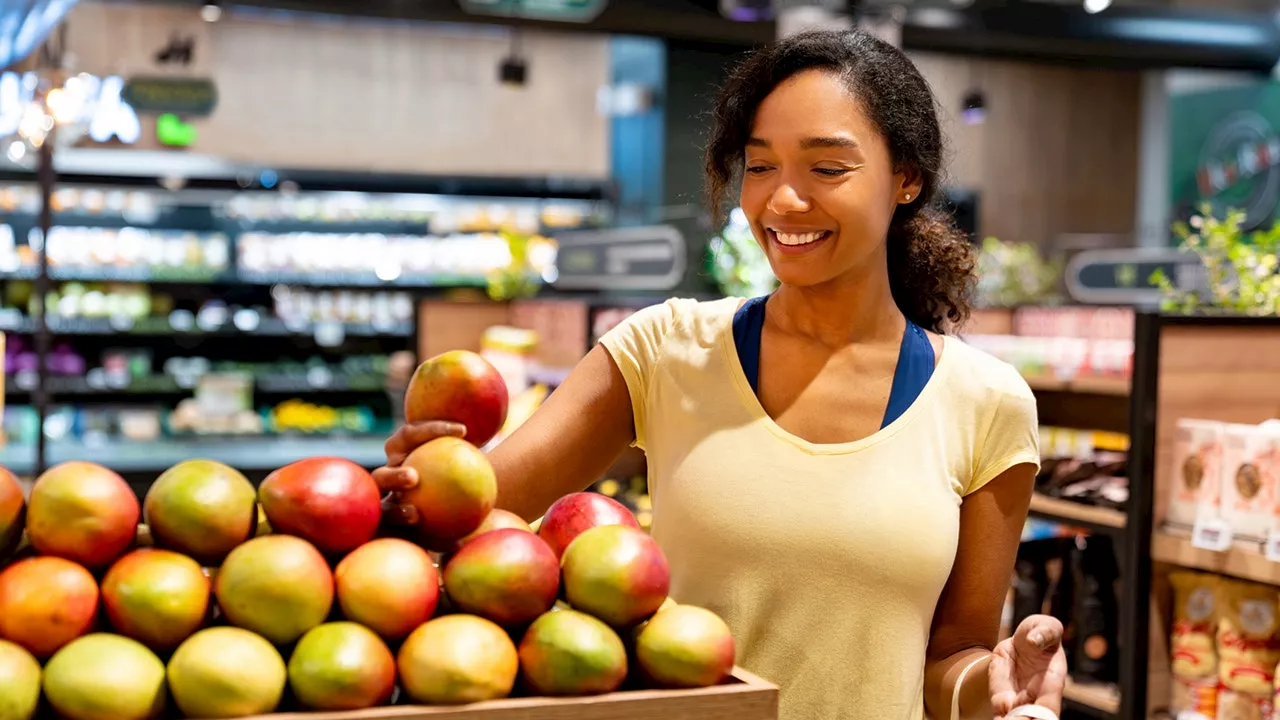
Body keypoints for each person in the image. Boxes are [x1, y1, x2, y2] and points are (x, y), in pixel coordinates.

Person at [376, 29, 1067, 720]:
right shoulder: (663, 351)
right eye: (760, 167)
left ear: (906, 178)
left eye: (827, 169)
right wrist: (414, 494)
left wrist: (1000, 683)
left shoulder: (986, 403)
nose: (782, 201)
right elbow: (472, 512)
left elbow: (952, 660)